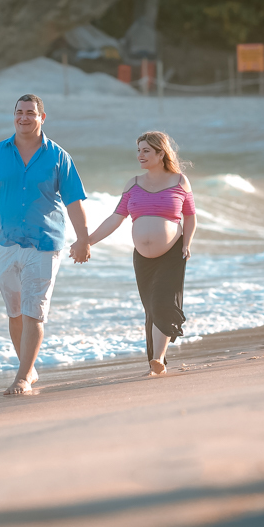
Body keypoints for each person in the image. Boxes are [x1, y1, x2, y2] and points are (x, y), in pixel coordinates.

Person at [0, 94, 91, 395]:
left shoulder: (58, 157)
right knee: (15, 312)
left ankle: (22, 376)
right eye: (19, 112)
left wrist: (83, 239)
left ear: (42, 117)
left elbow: (74, 202)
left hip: (45, 244)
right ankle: (29, 368)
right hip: (7, 244)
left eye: (31, 113)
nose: (24, 118)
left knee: (33, 310)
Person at [86, 131, 195, 375]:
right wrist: (88, 241)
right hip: (142, 258)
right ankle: (157, 363)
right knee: (151, 309)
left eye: (146, 150)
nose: (140, 155)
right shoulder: (133, 183)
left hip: (172, 254)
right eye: (138, 150)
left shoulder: (179, 181)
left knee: (162, 303)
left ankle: (158, 358)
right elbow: (115, 219)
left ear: (160, 153)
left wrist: (187, 243)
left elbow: (190, 216)